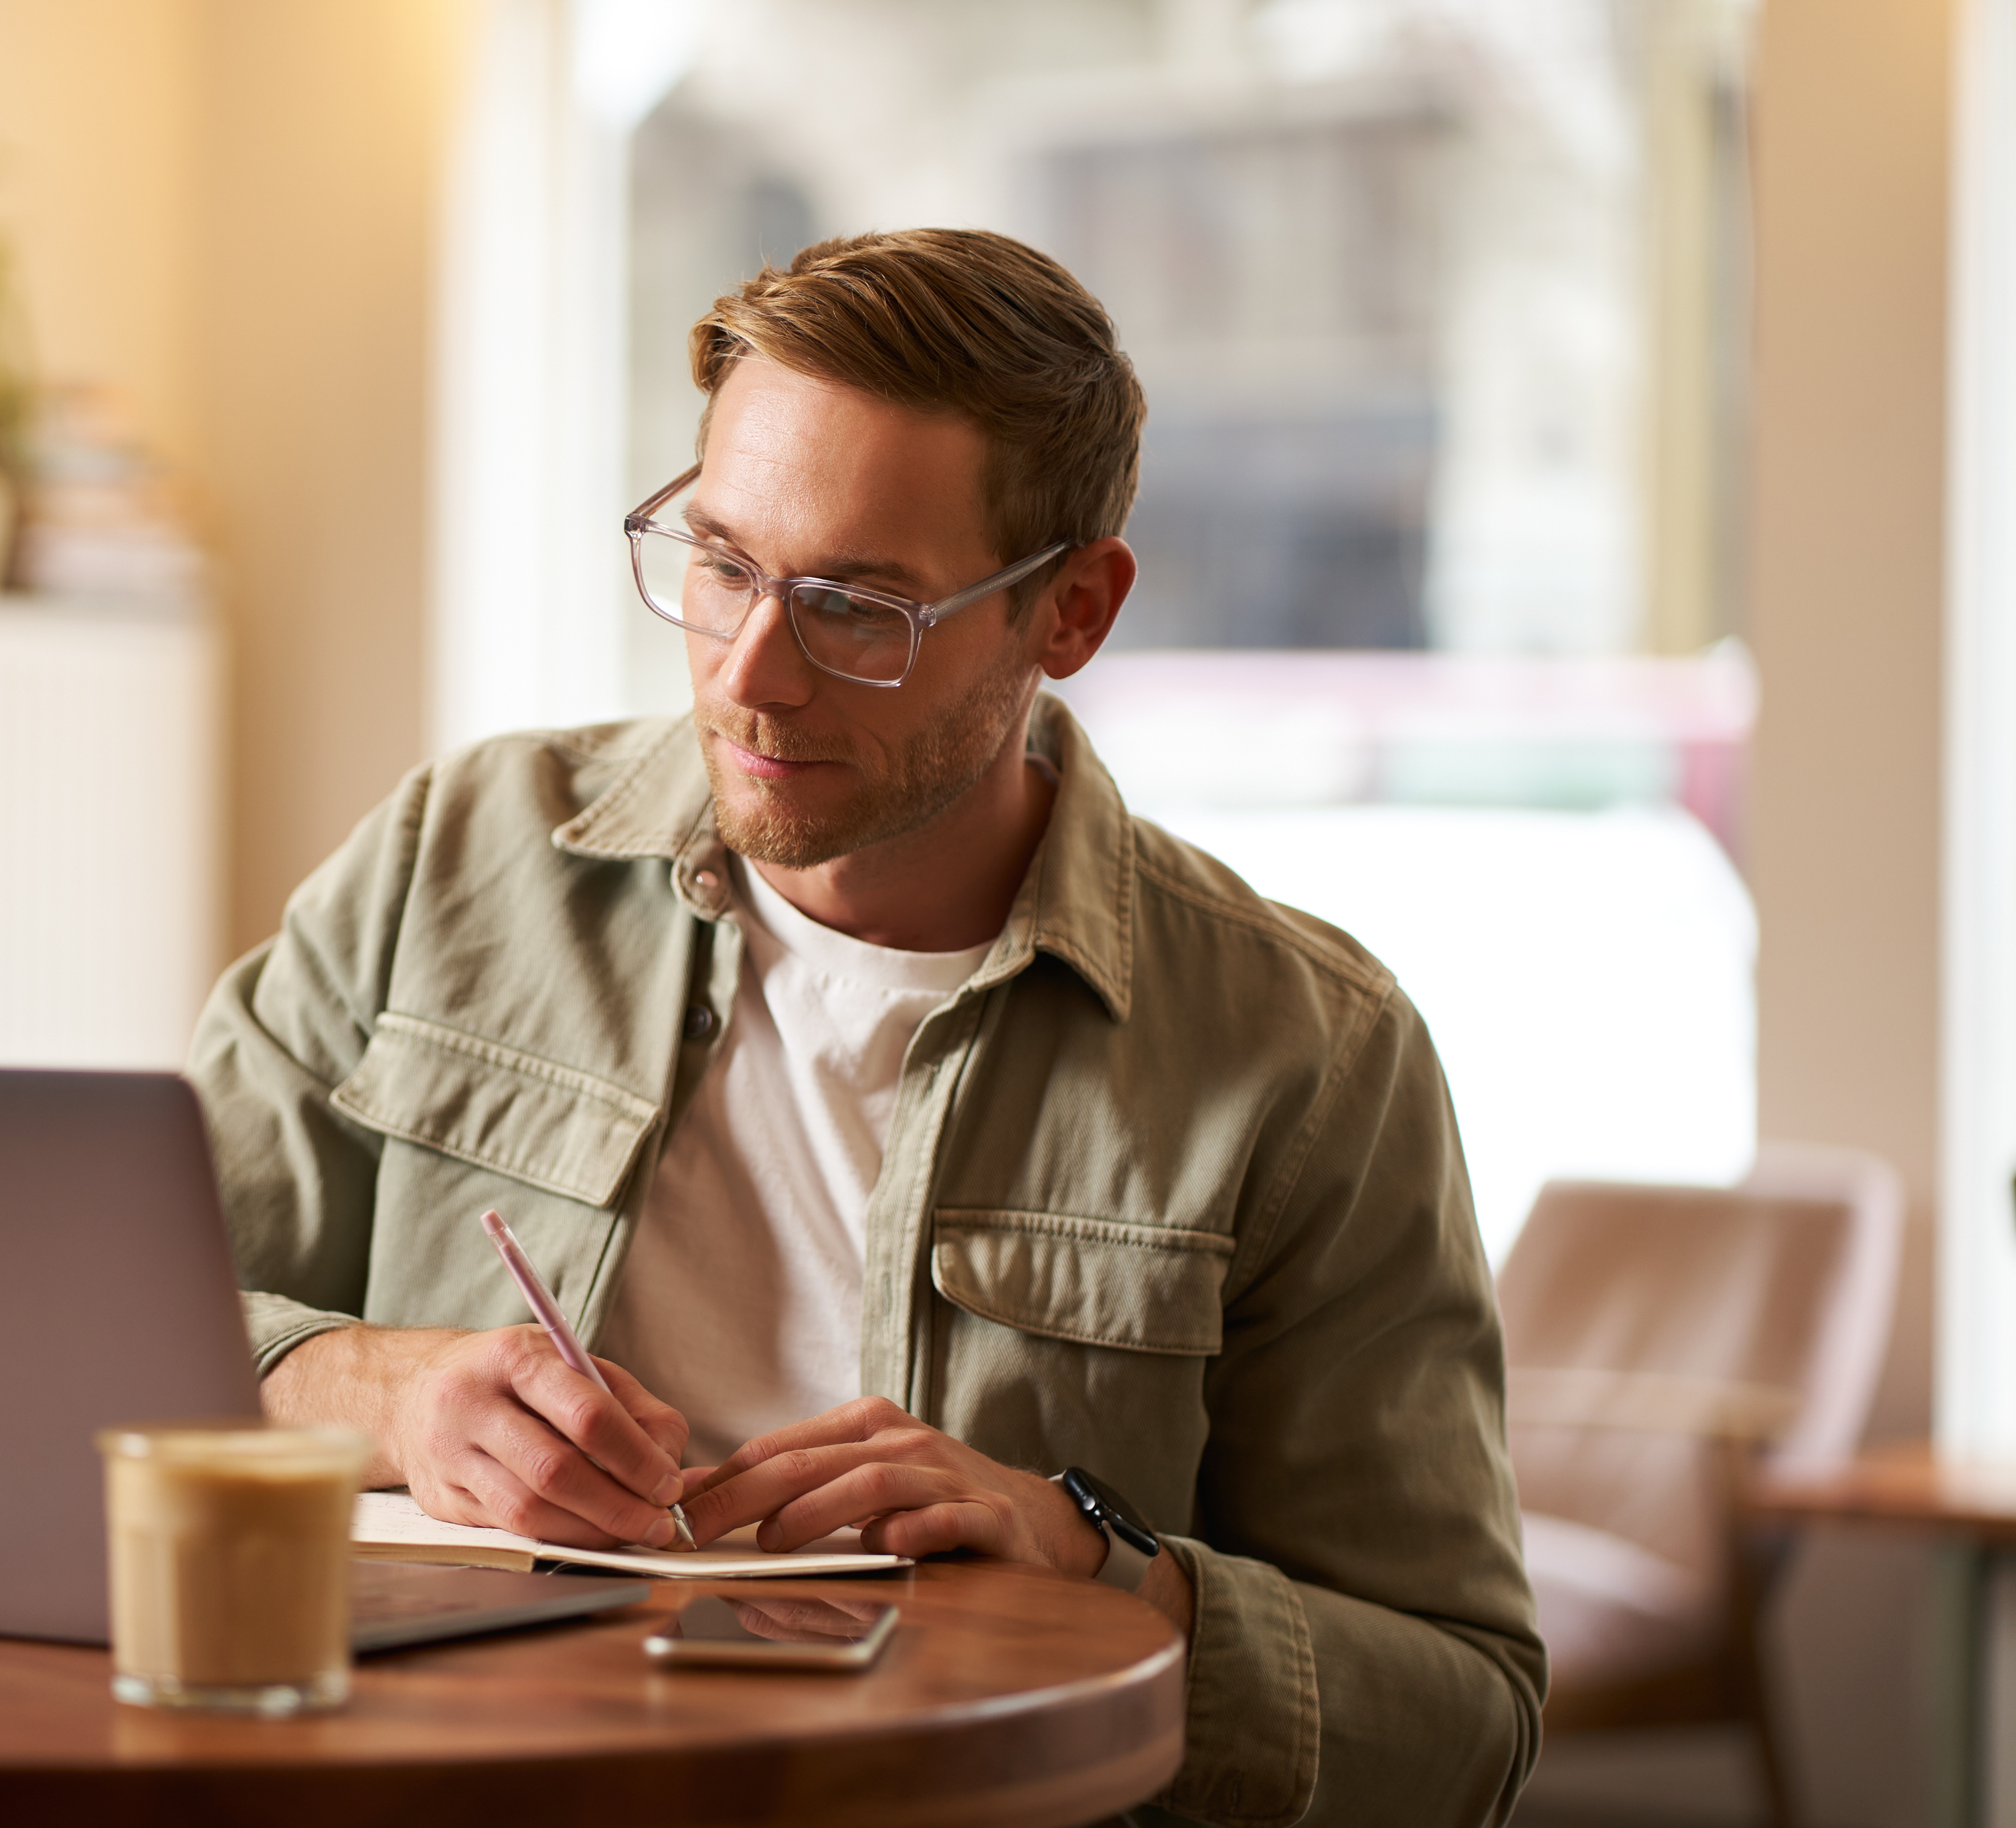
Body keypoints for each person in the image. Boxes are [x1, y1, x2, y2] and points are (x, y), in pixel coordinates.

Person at [191, 228, 1543, 1826]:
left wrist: (1099, 1564)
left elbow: (1461, 1725)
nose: (750, 675)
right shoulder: (456, 857)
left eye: (855, 605)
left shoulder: (1307, 1057)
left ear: (1071, 614)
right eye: (718, 562)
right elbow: (104, 1331)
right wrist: (387, 1395)